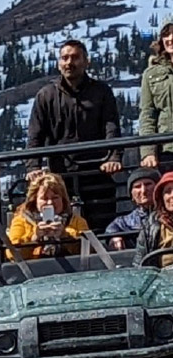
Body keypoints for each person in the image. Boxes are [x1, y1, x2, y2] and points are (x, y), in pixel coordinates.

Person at [26, 39, 122, 232]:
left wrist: (113, 157)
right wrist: (33, 166)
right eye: (65, 58)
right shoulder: (46, 95)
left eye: (75, 57)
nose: (69, 62)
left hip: (97, 171)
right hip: (61, 176)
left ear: (86, 62)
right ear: (58, 63)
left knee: (101, 225)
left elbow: (111, 127)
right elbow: (36, 133)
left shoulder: (101, 92)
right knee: (58, 225)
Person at [7, 172, 89, 260]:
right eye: (44, 198)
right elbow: (12, 255)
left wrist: (65, 236)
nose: (50, 202)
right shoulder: (21, 221)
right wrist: (35, 238)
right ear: (35, 200)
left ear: (63, 199)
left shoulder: (76, 221)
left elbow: (89, 251)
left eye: (55, 197)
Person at [139, 21, 173, 169]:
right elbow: (147, 115)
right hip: (167, 150)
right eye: (166, 34)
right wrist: (148, 152)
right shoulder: (151, 74)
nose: (170, 38)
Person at [105, 167, 160, 250]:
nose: (143, 190)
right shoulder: (123, 222)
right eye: (137, 186)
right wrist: (114, 237)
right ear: (132, 196)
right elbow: (111, 230)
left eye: (148, 184)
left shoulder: (169, 215)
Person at [133, 170, 173, 266]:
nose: (172, 195)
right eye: (168, 191)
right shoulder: (150, 227)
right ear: (161, 199)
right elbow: (138, 265)